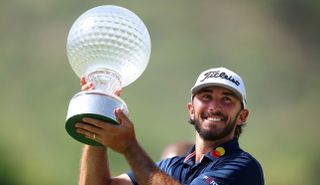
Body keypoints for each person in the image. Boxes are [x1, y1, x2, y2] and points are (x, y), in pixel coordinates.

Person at [75, 67, 264, 185]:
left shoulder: (243, 168)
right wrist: (98, 121)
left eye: (226, 99)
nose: (214, 107)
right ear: (191, 109)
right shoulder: (171, 166)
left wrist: (129, 147)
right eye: (206, 97)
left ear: (242, 116)